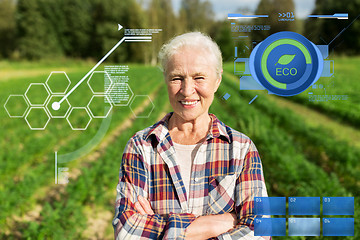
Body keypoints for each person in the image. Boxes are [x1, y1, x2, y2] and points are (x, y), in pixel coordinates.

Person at [113, 32, 269, 240]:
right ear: (165, 80)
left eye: (199, 78)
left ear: (217, 80)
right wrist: (215, 224)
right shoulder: (142, 147)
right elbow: (126, 232)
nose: (187, 91)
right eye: (177, 78)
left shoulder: (241, 149)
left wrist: (162, 229)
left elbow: (259, 232)